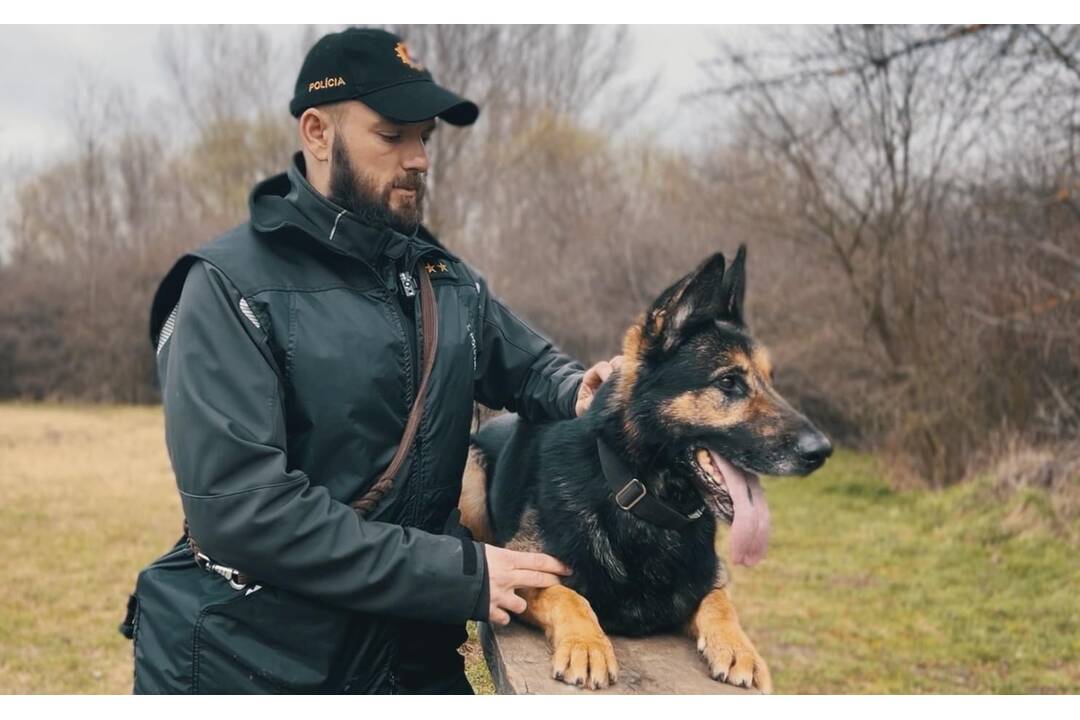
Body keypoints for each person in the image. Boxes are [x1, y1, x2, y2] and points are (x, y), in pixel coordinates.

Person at [124, 27, 618, 694]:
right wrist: (461, 574)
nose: (418, 159)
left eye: (426, 138)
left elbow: (531, 368)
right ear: (318, 133)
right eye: (392, 136)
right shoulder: (226, 287)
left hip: (413, 659)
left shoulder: (445, 278)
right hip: (253, 663)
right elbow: (245, 514)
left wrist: (583, 390)